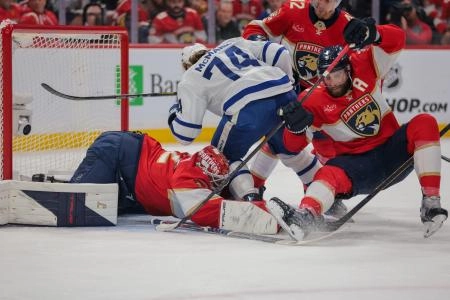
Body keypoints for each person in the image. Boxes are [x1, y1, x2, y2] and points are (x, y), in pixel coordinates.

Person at [268, 19, 448, 239]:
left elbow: (397, 39)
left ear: (348, 69)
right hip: (358, 168)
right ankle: (306, 215)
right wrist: (295, 128)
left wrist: (374, 33)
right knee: (328, 172)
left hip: (393, 154)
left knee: (425, 122)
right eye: (326, 77)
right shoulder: (311, 101)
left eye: (337, 75)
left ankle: (431, 203)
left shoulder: (365, 64)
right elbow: (292, 146)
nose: (332, 82)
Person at [169, 38, 321, 202]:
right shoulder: (230, 43)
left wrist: (176, 108)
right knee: (289, 152)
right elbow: (280, 53)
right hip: (284, 94)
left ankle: (251, 201)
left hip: (249, 110)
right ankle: (324, 194)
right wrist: (289, 83)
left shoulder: (191, 77)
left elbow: (185, 134)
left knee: (220, 159)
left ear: (185, 67)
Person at [69, 131, 279, 234]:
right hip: (116, 152)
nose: (218, 186)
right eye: (215, 182)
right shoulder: (186, 180)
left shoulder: (195, 164)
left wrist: (249, 195)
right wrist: (257, 210)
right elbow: (205, 211)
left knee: (108, 206)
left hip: (133, 174)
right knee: (75, 202)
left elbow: (234, 166)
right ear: (204, 174)